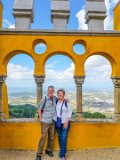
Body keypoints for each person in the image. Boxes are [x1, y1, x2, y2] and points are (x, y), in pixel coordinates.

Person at [36, 86, 57, 160]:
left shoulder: (55, 98)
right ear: (48, 91)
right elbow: (39, 109)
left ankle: (48, 150)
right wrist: (41, 119)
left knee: (51, 137)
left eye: (52, 90)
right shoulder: (44, 98)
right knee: (43, 137)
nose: (50, 91)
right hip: (45, 121)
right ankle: (39, 154)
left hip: (52, 121)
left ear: (53, 91)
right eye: (49, 90)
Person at [55, 89, 72, 160]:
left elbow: (70, 112)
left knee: (64, 138)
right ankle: (63, 151)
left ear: (63, 95)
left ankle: (62, 155)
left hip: (65, 123)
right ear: (57, 95)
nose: (60, 95)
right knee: (60, 137)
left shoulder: (66, 102)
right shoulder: (56, 102)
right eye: (59, 94)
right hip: (58, 123)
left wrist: (66, 122)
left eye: (61, 94)